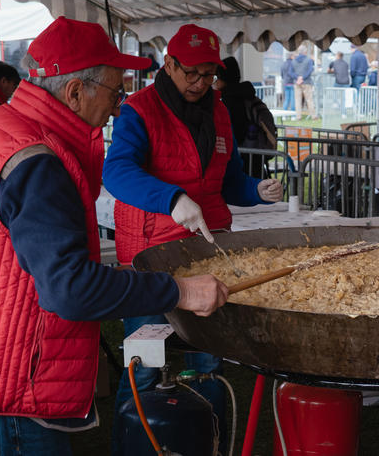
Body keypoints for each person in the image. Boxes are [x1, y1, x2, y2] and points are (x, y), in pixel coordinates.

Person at [0, 16, 228, 455]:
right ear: (76, 92)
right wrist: (179, 292)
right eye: (115, 92)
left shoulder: (3, 127)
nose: (119, 105)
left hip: (3, 358)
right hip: (22, 380)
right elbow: (69, 289)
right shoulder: (38, 160)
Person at [103, 23, 283, 456]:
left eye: (209, 75)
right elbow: (117, 172)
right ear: (169, 64)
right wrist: (172, 198)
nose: (201, 84)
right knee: (144, 366)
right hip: (153, 257)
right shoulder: (139, 111)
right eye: (192, 74)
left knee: (207, 362)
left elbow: (227, 180)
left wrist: (254, 192)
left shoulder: (219, 111)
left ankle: (211, 443)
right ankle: (132, 445)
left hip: (207, 253)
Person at [215, 56, 277, 178]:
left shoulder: (228, 102)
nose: (214, 82)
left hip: (238, 163)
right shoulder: (249, 97)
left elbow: (234, 134)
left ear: (223, 78)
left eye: (216, 77)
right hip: (257, 159)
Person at [293, 45, 316, 119]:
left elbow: (290, 72)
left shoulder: (294, 60)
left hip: (297, 83)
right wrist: (302, 77)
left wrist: (298, 78)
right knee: (309, 100)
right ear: (305, 52)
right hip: (307, 82)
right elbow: (310, 70)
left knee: (298, 100)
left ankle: (298, 116)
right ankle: (313, 116)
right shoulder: (308, 60)